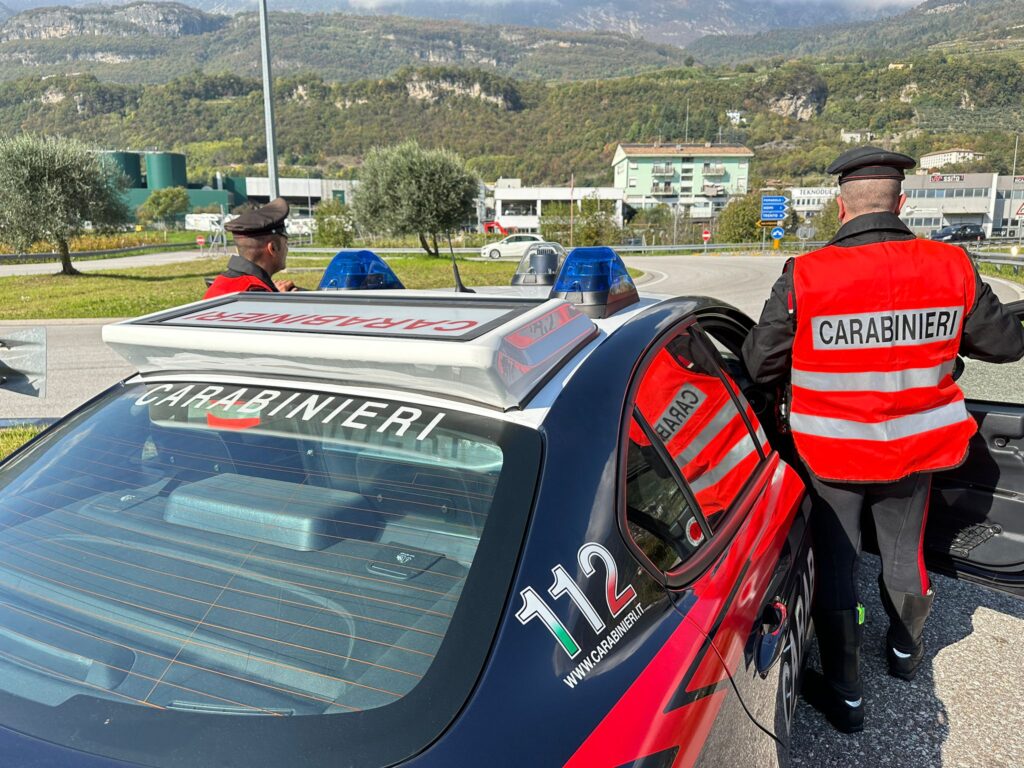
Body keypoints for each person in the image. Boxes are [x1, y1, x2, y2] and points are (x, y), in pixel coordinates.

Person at [741, 146, 1024, 734]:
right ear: (903, 201)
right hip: (918, 452)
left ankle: (846, 696)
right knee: (903, 554)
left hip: (831, 454)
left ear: (842, 205)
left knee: (839, 565)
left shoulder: (806, 275)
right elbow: (1005, 345)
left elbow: (758, 364)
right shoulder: (953, 266)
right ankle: (904, 654)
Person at [204, 198, 298, 298]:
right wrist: (279, 301)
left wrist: (272, 293)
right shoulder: (255, 295)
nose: (287, 249)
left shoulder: (220, 283)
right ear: (272, 248)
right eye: (285, 243)